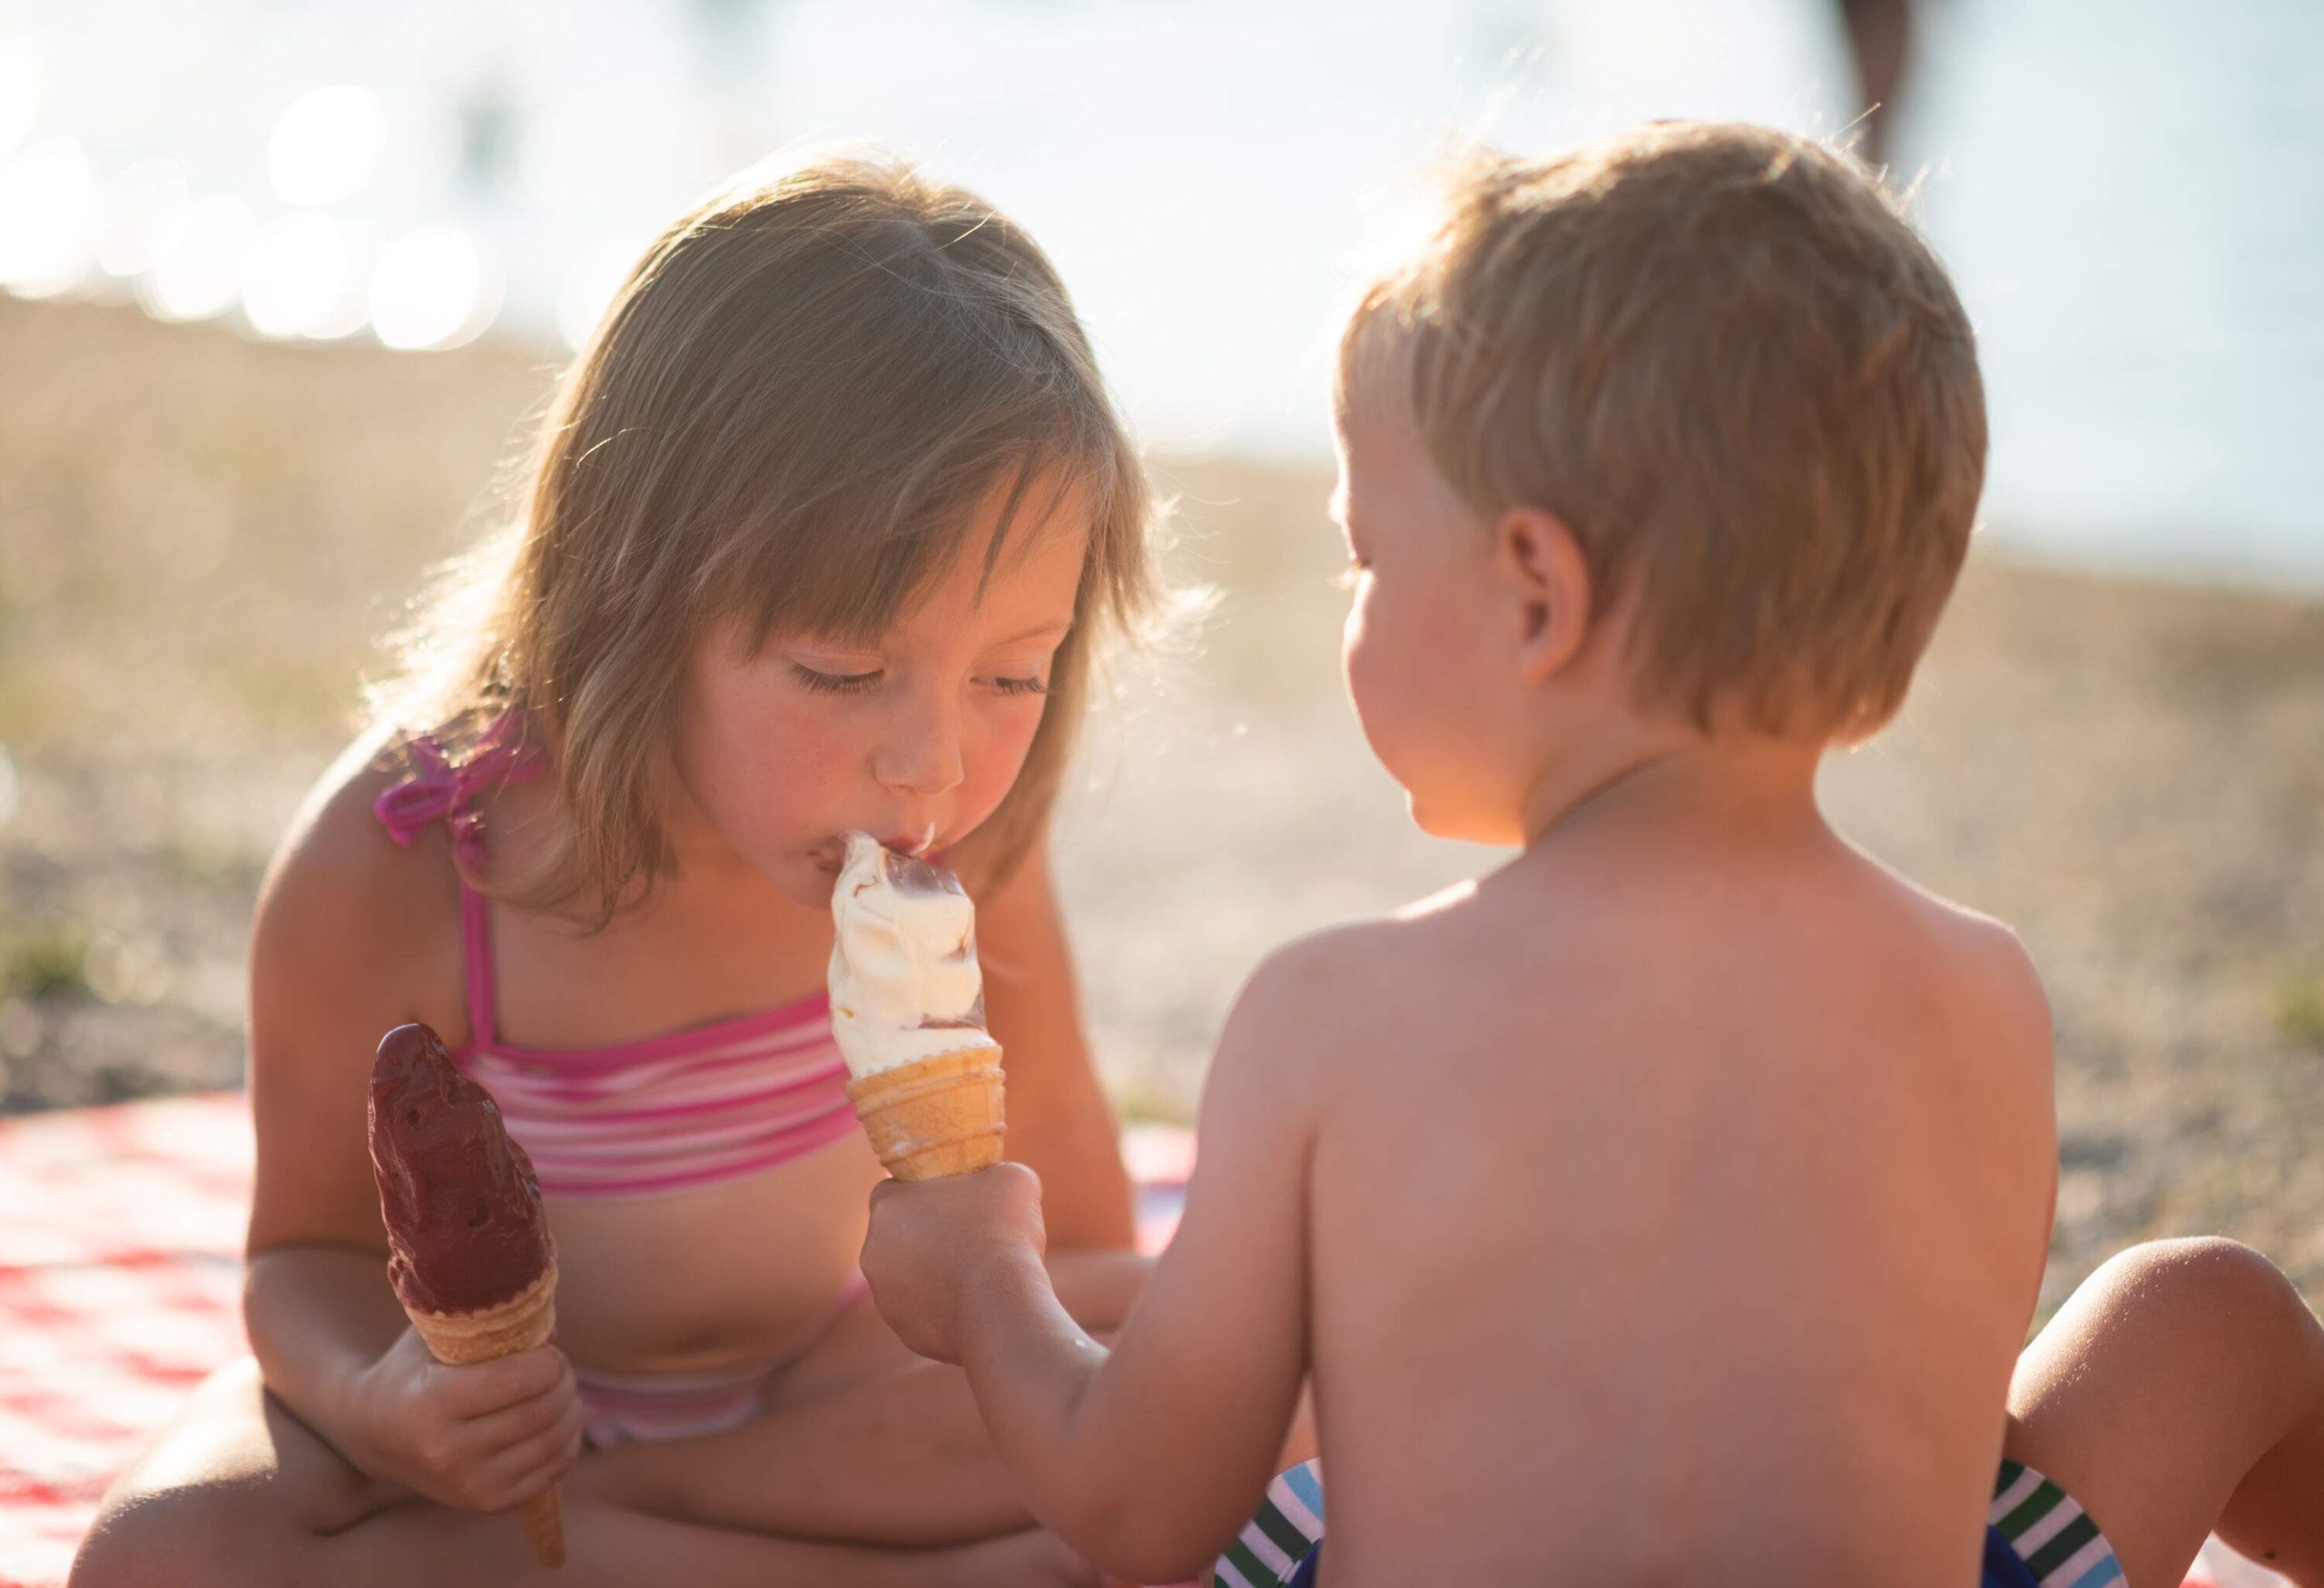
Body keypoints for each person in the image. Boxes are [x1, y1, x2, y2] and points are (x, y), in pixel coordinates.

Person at [858, 123, 2324, 1588]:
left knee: (1289, 1489)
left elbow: (1134, 1503)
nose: (1353, 603)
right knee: (2204, 1311)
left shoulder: (1335, 1016)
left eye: (1367, 557)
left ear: (1538, 593)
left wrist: (987, 1279)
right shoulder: (1983, 991)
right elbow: (1932, 1433)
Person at [73, 152, 1158, 1587]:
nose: (934, 765)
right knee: (167, 1552)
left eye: (1014, 673)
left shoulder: (964, 850)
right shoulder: (404, 873)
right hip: (495, 1438)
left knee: (1266, 1356)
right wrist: (392, 1402)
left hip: (828, 1403)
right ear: (632, 597)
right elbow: (306, 1262)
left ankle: (601, 1551)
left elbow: (1077, 1252)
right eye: (844, 671)